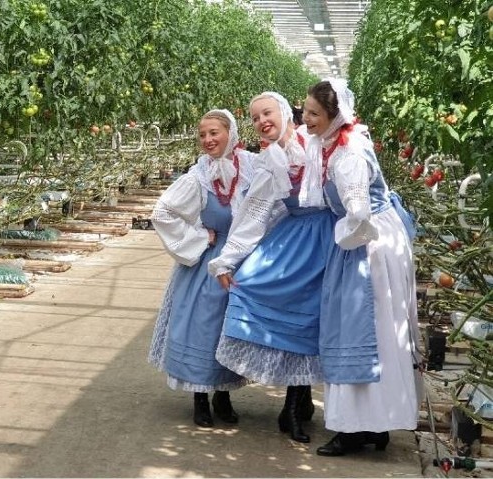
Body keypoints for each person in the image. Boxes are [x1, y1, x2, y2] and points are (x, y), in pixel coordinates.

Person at [299, 79, 422, 456]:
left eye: (314, 113)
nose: (306, 119)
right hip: (372, 239)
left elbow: (358, 212)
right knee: (378, 330)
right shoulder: (335, 143)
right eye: (304, 110)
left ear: (335, 115)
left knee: (360, 329)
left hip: (366, 244)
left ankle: (355, 429)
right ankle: (375, 425)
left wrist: (340, 240)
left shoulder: (348, 153)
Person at [208, 92, 331, 443]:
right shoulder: (270, 160)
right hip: (298, 241)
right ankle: (292, 409)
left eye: (267, 112)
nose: (262, 120)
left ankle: (299, 402)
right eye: (255, 116)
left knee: (315, 319)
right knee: (270, 297)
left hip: (329, 239)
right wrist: (226, 260)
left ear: (284, 112)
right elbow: (255, 212)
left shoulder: (318, 142)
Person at [148, 109, 254, 427]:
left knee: (230, 326)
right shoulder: (197, 177)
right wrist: (198, 236)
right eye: (203, 135)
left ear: (230, 134)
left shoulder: (251, 168)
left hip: (239, 260)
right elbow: (162, 212)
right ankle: (200, 399)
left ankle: (223, 395)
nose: (207, 140)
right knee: (202, 326)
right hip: (208, 263)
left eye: (214, 133)